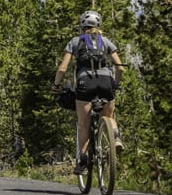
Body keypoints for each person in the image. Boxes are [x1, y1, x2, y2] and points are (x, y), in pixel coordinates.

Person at [52, 10, 124, 175]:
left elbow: (63, 68)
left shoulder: (75, 41)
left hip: (85, 83)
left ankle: (83, 162)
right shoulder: (105, 41)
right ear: (98, 25)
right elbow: (120, 68)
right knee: (109, 116)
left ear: (82, 25)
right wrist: (115, 84)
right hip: (106, 81)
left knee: (83, 124)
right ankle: (116, 138)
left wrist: (56, 85)